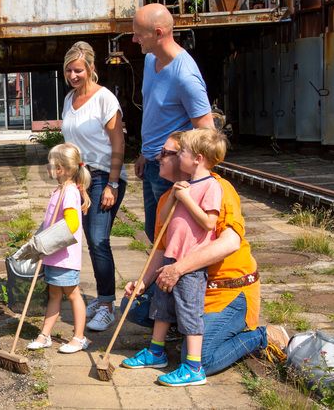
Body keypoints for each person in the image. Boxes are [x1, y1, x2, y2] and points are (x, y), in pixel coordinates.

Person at [123, 132, 290, 377]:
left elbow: (230, 242)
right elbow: (161, 248)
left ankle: (260, 336)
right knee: (133, 305)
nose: (158, 157)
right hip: (186, 284)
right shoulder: (168, 198)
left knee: (202, 360)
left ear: (192, 159)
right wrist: (143, 283)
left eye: (168, 153)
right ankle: (175, 336)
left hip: (226, 290)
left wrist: (178, 268)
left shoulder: (219, 188)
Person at [122, 128, 226, 387]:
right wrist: (176, 196)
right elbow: (165, 220)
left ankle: (193, 367)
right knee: (161, 307)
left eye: (182, 152)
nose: (178, 156)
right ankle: (156, 352)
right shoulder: (184, 186)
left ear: (198, 158)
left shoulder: (212, 185)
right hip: (171, 257)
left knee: (190, 313)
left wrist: (187, 198)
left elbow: (208, 223)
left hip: (190, 264)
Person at [131, 3, 214, 243]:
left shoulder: (185, 76)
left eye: (138, 33)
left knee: (171, 238)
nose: (134, 39)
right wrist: (144, 153)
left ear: (158, 33)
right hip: (151, 164)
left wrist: (191, 174)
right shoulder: (150, 60)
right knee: (154, 233)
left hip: (171, 169)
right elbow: (155, 113)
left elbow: (207, 130)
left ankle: (173, 279)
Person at [60, 41, 127, 332]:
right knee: (86, 239)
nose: (73, 76)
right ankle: (102, 298)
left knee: (99, 240)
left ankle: (107, 305)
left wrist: (112, 183)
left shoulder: (105, 99)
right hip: (80, 178)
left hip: (103, 176)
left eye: (78, 70)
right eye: (68, 71)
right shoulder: (68, 99)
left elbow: (118, 143)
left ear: (90, 69)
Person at [25, 143, 92, 353]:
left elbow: (72, 224)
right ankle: (44, 335)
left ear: (60, 169)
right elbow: (50, 222)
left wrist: (49, 240)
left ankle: (79, 337)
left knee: (73, 294)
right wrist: (39, 238)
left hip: (64, 257)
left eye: (50, 163)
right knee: (54, 295)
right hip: (53, 256)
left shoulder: (69, 192)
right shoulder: (59, 189)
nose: (47, 167)